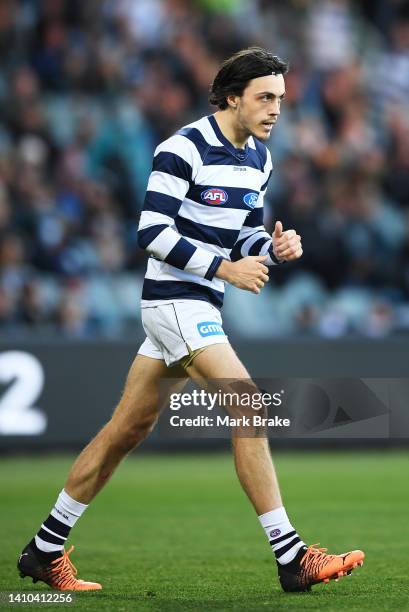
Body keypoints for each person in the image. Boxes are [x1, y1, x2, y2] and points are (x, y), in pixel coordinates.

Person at [17, 47, 364, 593]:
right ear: (232, 97)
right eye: (265, 97)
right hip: (174, 299)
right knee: (248, 404)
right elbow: (151, 232)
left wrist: (271, 249)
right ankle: (291, 557)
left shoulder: (259, 159)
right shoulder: (183, 148)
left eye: (281, 98)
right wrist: (227, 268)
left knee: (125, 431)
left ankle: (43, 549)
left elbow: (242, 232)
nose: (277, 109)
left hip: (197, 304)